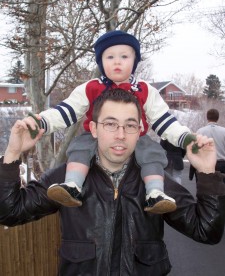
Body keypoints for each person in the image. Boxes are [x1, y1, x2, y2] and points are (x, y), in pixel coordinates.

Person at [1, 88, 225, 276]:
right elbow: (10, 211)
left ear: (139, 131)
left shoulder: (155, 183)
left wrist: (206, 172)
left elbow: (206, 231)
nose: (120, 134)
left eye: (129, 125)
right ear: (94, 129)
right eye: (110, 124)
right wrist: (12, 154)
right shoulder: (65, 179)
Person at [24, 30, 195, 214]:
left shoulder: (144, 89)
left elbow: (164, 120)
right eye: (110, 57)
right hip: (96, 136)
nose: (117, 62)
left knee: (152, 153)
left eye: (124, 56)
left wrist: (184, 137)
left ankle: (154, 193)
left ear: (134, 61)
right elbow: (67, 111)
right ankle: (73, 184)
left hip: (136, 137)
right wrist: (42, 122)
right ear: (101, 62)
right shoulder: (91, 87)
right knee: (79, 146)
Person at [189, 108, 225, 180]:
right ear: (217, 118)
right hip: (222, 165)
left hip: (204, 164)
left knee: (204, 188)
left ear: (207, 117)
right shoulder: (224, 131)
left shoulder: (200, 131)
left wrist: (192, 171)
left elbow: (195, 151)